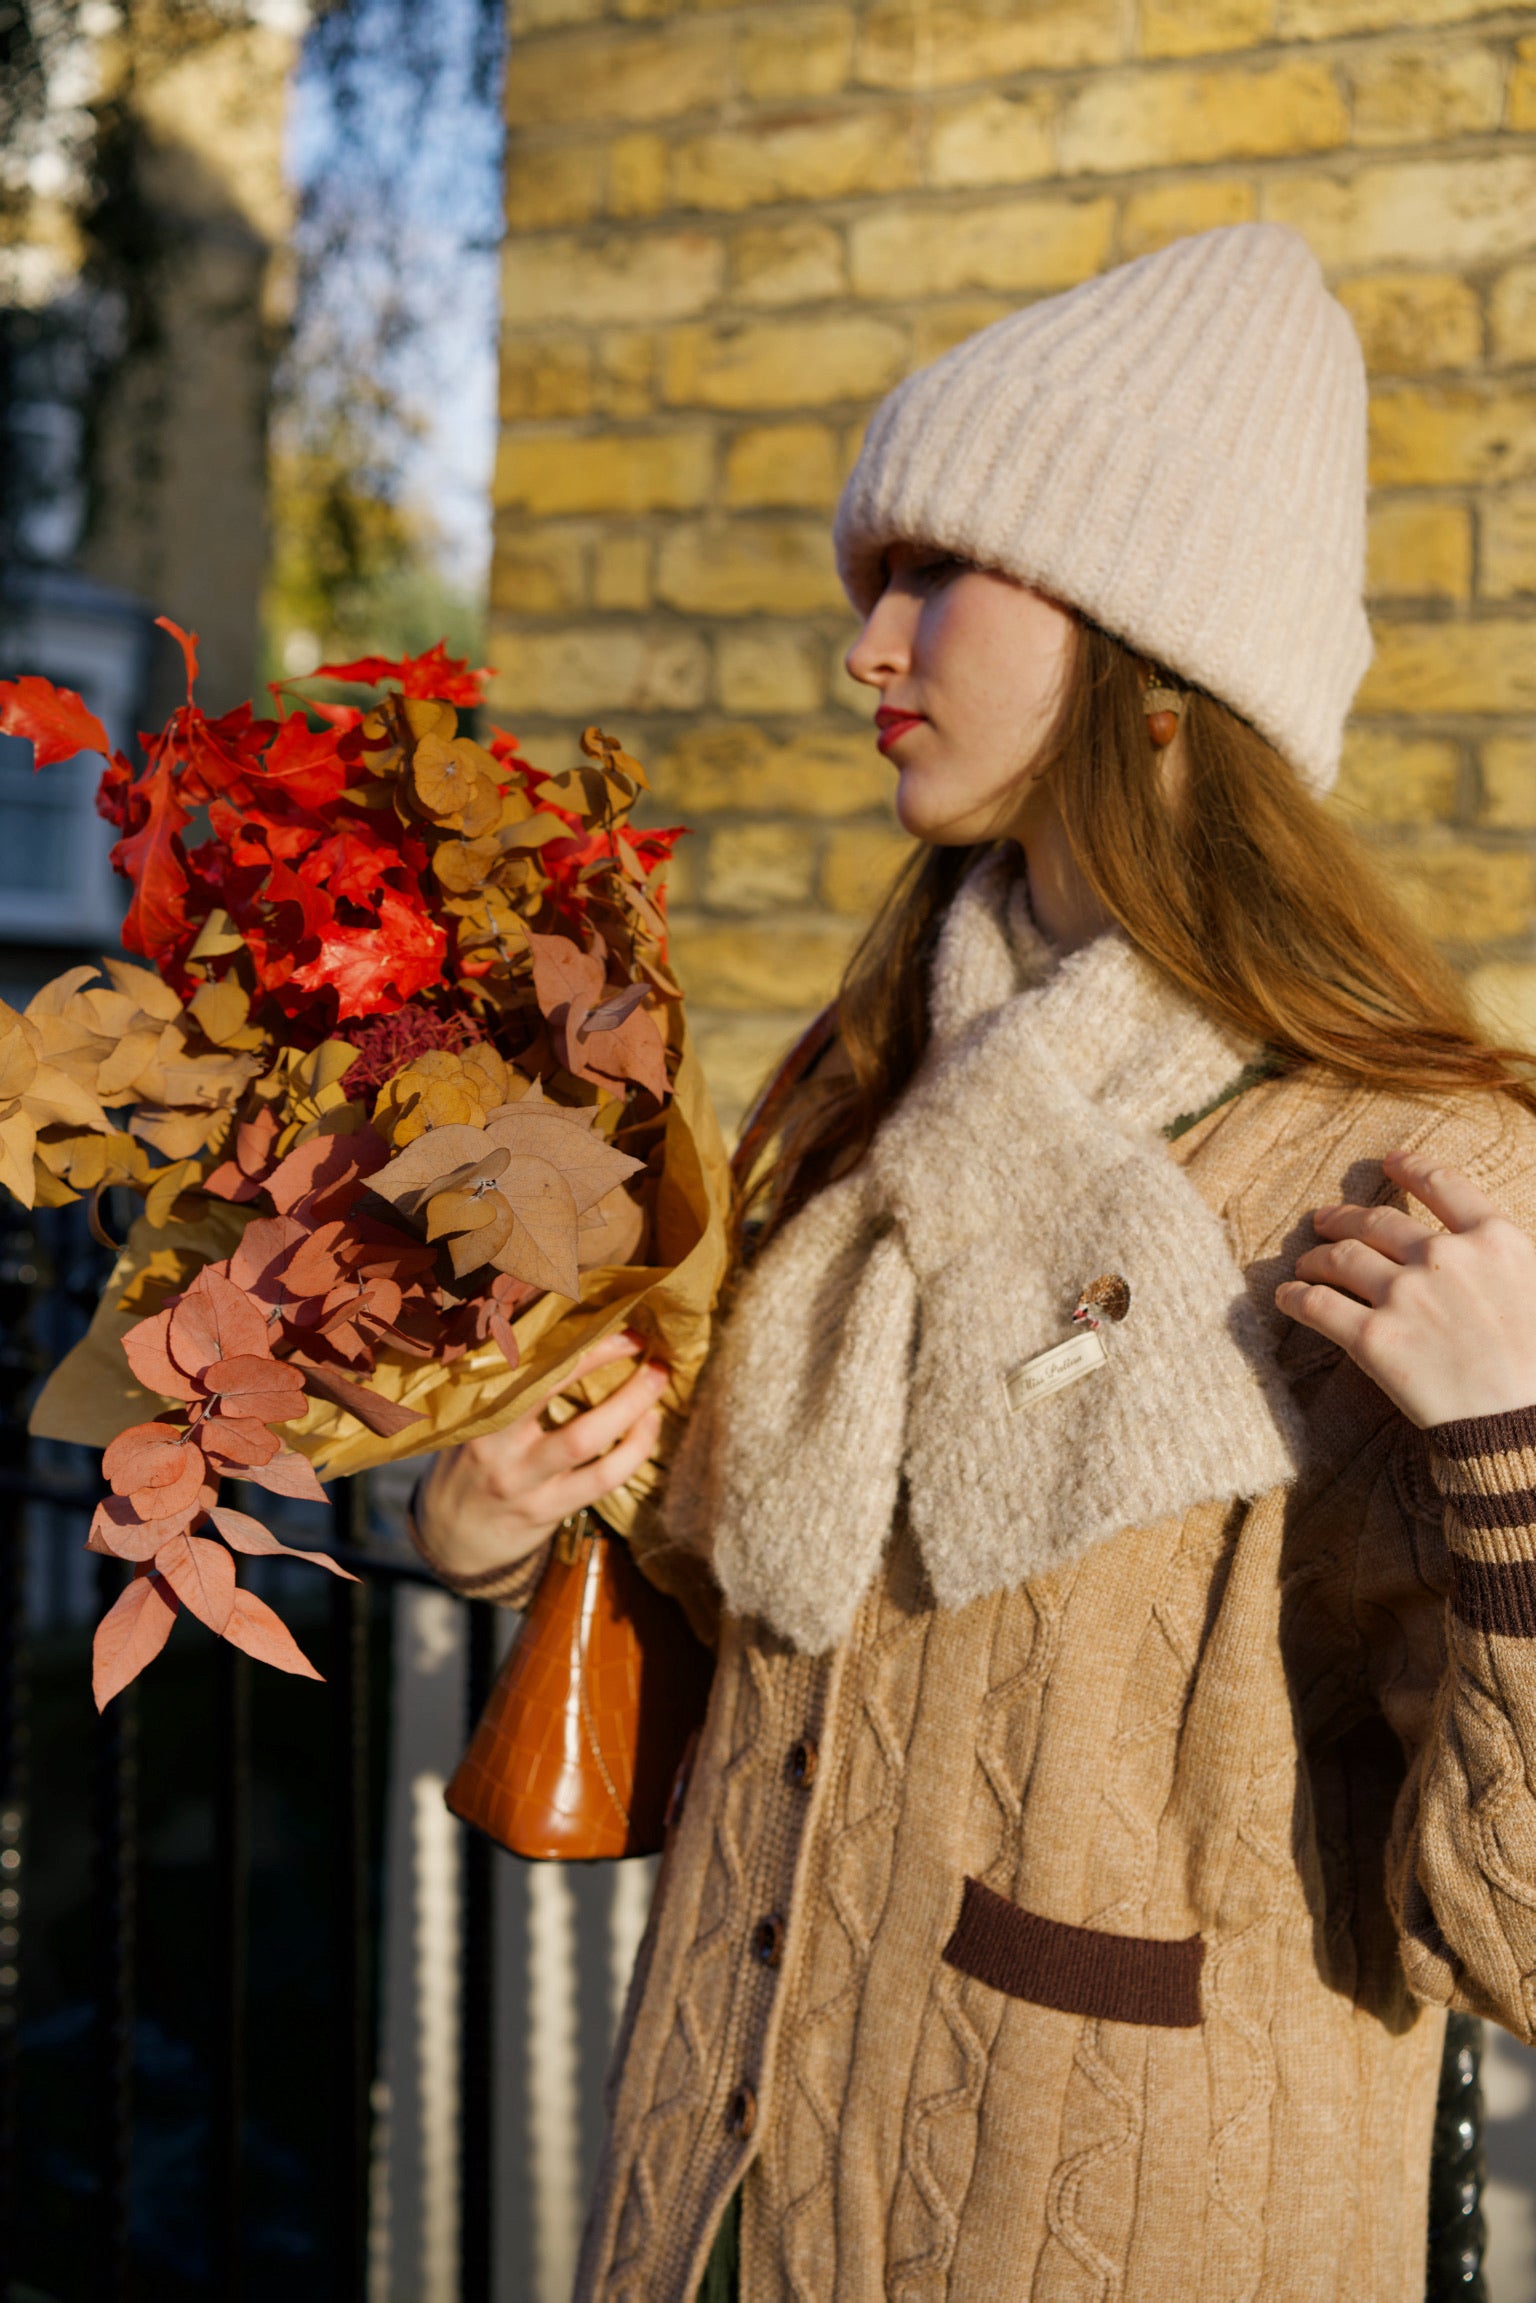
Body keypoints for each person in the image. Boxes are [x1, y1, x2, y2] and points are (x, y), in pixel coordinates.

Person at [413, 224, 1536, 2301]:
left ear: (1151, 640)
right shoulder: (868, 1096)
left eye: (935, 574)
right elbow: (761, 1618)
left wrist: (1515, 1455)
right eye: (875, 582)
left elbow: (1519, 1937)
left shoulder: (1411, 1176)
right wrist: (510, 1521)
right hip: (708, 2199)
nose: (868, 647)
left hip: (1104, 2226)